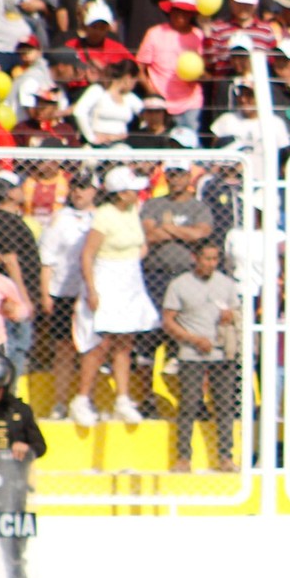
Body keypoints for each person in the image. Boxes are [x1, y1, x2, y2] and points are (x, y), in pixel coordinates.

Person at [72, 167, 158, 428]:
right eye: (132, 189)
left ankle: (122, 399)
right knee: (101, 343)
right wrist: (92, 289)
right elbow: (87, 255)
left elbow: (140, 245)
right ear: (120, 194)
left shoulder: (133, 210)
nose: (137, 193)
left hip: (130, 278)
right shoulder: (103, 216)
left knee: (125, 341)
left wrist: (131, 260)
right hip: (107, 277)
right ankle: (82, 399)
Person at [160, 239, 240, 473]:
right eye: (207, 259)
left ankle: (225, 457)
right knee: (189, 405)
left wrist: (230, 317)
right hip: (191, 353)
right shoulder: (179, 284)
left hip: (221, 353)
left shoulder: (226, 284)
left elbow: (237, 312)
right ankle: (184, 457)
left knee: (224, 406)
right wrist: (193, 340)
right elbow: (168, 320)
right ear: (195, 258)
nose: (211, 264)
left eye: (215, 259)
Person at [0, 354, 44, 578]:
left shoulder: (20, 411)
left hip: (12, 494)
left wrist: (26, 448)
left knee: (15, 555)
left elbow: (41, 446)